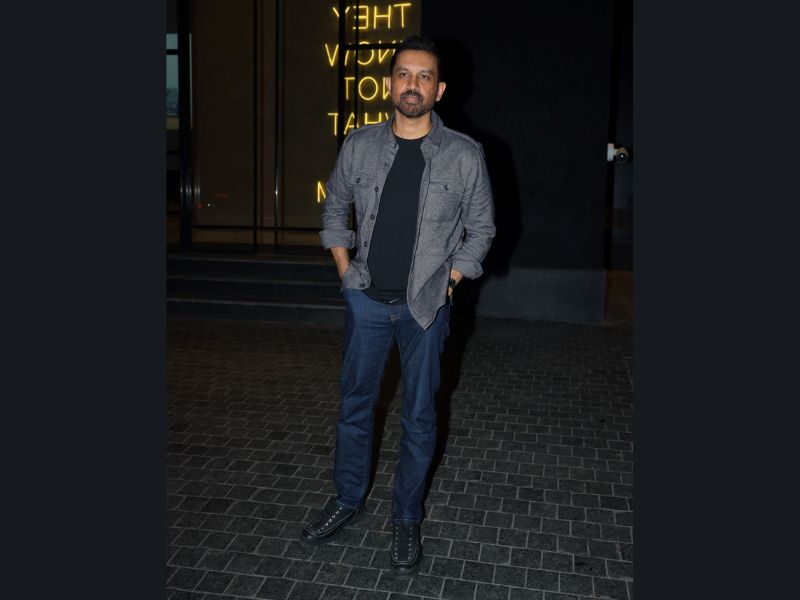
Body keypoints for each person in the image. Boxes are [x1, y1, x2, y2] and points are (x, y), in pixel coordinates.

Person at [301, 35, 495, 575]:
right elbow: (335, 209)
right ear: (390, 84)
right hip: (365, 301)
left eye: (424, 76)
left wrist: (449, 281)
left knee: (419, 416)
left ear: (440, 89)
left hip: (425, 311)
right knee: (355, 408)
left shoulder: (464, 155)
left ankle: (407, 515)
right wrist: (345, 272)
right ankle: (347, 499)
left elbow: (481, 230)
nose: (413, 85)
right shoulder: (359, 145)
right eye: (405, 74)